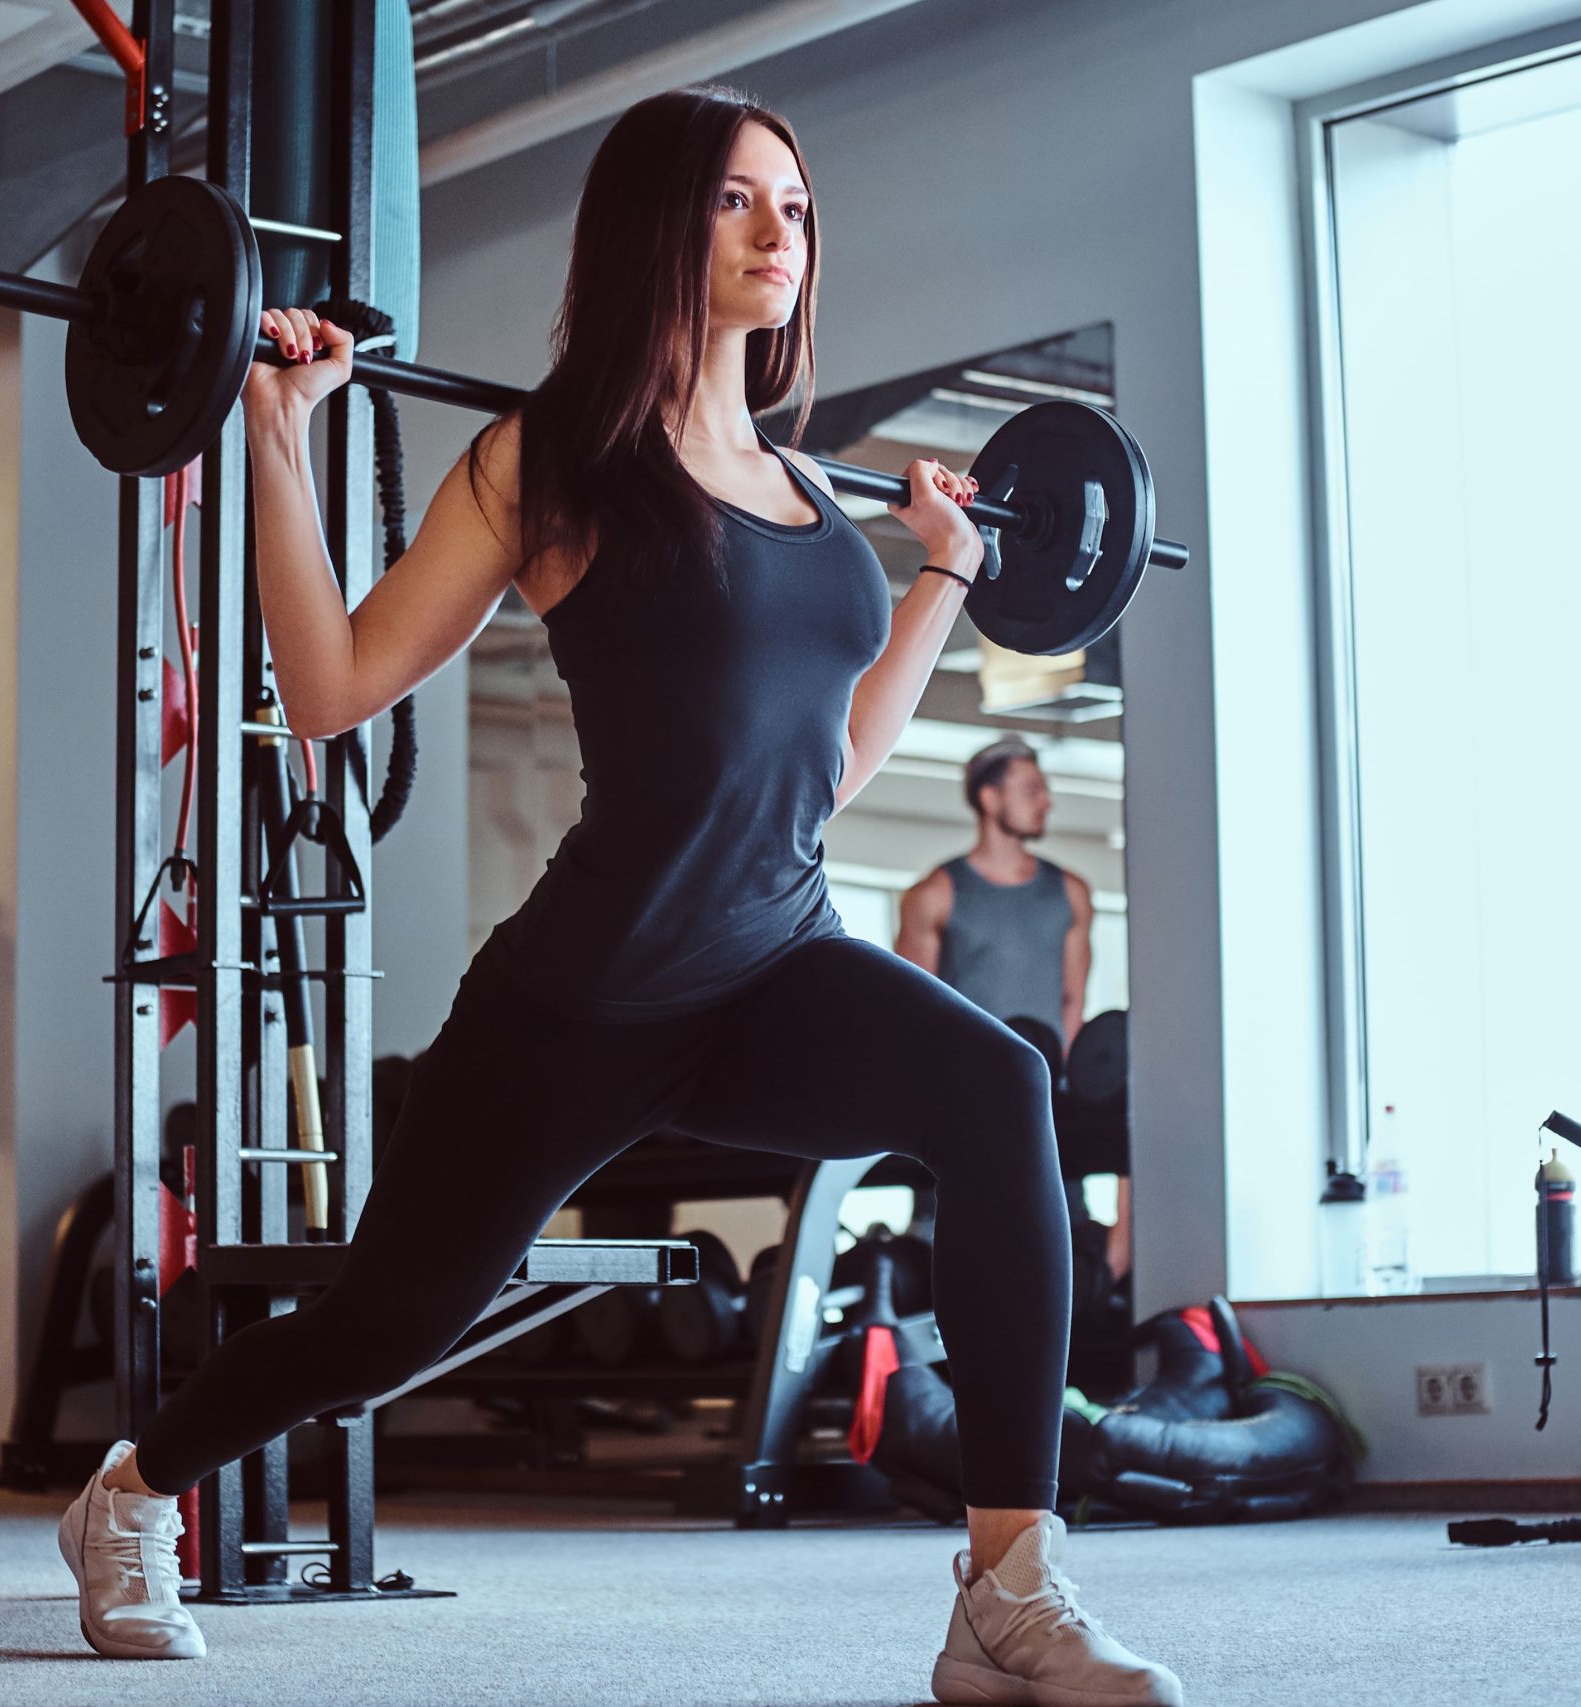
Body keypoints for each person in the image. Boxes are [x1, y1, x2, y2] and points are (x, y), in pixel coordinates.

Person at [57, 87, 1182, 1706]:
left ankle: (1006, 1588)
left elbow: (830, 769)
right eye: (738, 199)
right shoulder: (551, 463)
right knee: (384, 1326)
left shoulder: (812, 498)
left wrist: (944, 570)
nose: (782, 231)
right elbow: (332, 687)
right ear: (657, 225)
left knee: (1000, 1083)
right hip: (579, 1003)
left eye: (796, 205)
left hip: (774, 964)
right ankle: (132, 1490)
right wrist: (276, 433)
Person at [896, 738, 1131, 1282]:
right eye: (1032, 790)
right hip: (962, 1115)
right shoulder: (934, 895)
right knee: (954, 1267)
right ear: (989, 798)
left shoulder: (1070, 893)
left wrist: (1065, 1097)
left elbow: (1072, 1005)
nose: (1047, 801)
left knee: (1058, 1260)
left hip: (1047, 1111)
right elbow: (912, 1018)